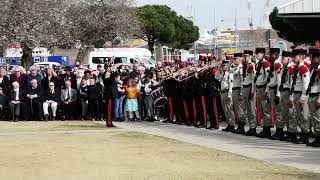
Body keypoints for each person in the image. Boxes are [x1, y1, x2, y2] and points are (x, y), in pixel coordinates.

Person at [288, 49, 310, 144]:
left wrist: (302, 98)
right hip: (296, 93)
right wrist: (292, 97)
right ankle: (302, 134)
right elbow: (293, 84)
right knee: (298, 115)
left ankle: (305, 136)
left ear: (301, 57)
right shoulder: (296, 68)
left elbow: (306, 85)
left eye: (295, 56)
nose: (293, 58)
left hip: (301, 94)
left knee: (304, 115)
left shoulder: (304, 68)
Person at [254, 48, 272, 138]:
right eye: (256, 54)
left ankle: (267, 129)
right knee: (261, 109)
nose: (257, 55)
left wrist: (266, 90)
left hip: (263, 88)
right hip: (258, 87)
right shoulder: (259, 64)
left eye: (258, 54)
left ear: (262, 54)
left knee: (265, 109)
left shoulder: (265, 63)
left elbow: (268, 78)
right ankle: (264, 128)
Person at [216, 59, 235, 133]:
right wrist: (218, 69)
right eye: (222, 65)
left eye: (223, 65)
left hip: (227, 92)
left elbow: (231, 85)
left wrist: (229, 95)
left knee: (229, 109)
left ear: (227, 66)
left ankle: (232, 125)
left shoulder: (229, 74)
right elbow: (216, 77)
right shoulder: (223, 74)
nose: (222, 67)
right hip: (223, 92)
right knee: (225, 109)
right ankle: (229, 124)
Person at [242, 50, 257, 136]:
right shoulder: (246, 66)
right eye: (245, 56)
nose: (245, 58)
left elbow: (253, 80)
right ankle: (251, 126)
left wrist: (252, 91)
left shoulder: (252, 66)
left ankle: (253, 127)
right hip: (245, 87)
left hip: (249, 88)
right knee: (248, 108)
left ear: (251, 57)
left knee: (251, 108)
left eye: (247, 56)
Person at [306, 49, 320, 147]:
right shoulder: (313, 69)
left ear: (317, 58)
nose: (310, 59)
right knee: (314, 118)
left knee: (318, 119)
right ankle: (316, 137)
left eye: (312, 58)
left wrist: (319, 100)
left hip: (317, 96)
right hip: (311, 96)